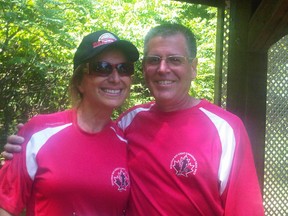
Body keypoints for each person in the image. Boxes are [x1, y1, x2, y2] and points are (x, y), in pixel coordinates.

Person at [1, 23, 264, 215]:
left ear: (193, 68)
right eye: (154, 60)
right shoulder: (128, 124)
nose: (163, 69)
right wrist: (25, 142)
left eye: (174, 59)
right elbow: (78, 145)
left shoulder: (225, 128)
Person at [0, 30, 139, 215]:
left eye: (124, 68)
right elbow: (6, 205)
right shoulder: (39, 131)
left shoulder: (127, 143)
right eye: (102, 67)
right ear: (80, 81)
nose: (115, 78)